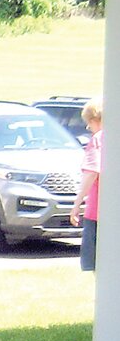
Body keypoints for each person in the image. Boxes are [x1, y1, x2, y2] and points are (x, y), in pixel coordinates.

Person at [70, 98, 103, 271]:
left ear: (94, 120)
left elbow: (92, 172)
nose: (89, 129)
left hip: (97, 212)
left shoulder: (98, 139)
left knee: (96, 264)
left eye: (88, 125)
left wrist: (77, 204)